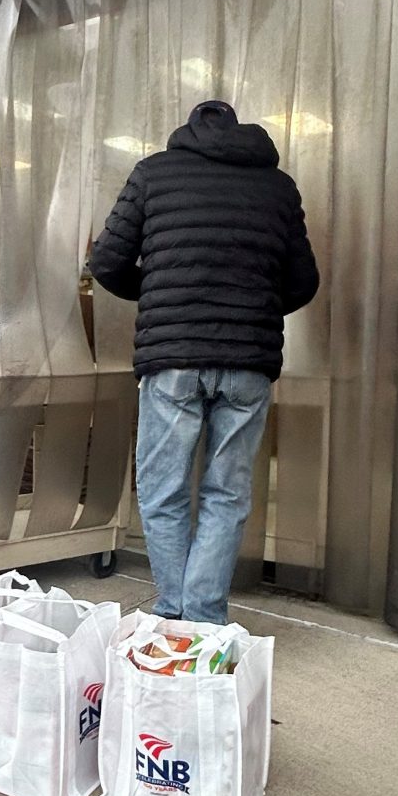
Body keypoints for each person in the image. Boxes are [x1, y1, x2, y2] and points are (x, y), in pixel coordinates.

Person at [89, 99, 319, 624]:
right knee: (227, 493)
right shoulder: (277, 186)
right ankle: (205, 618)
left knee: (163, 490)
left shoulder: (153, 174)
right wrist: (251, 307)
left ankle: (177, 614)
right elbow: (304, 281)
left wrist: (160, 295)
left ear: (188, 131)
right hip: (248, 364)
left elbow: (105, 262)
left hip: (172, 359)